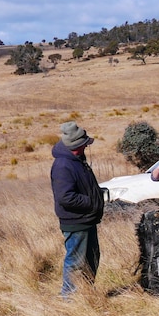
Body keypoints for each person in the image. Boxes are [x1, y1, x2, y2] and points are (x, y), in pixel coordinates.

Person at [50, 122, 104, 297]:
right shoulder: (63, 165)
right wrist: (91, 201)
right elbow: (65, 197)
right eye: (85, 143)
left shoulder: (77, 161)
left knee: (92, 258)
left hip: (86, 219)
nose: (87, 146)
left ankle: (86, 293)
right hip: (75, 222)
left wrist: (97, 195)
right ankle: (69, 298)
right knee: (75, 262)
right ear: (77, 146)